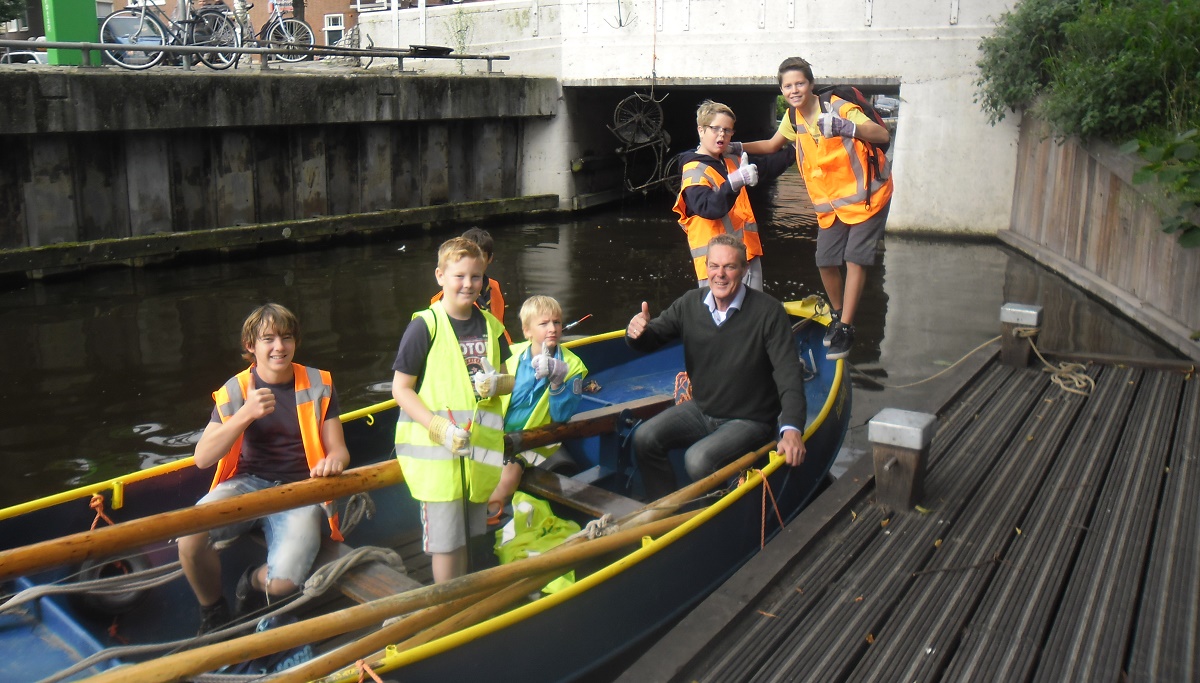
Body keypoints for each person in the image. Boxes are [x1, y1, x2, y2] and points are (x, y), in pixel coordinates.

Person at [179, 303, 350, 635]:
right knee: (189, 538)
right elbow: (203, 458)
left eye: (286, 338)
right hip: (247, 484)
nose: (279, 347)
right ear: (250, 346)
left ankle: (251, 585)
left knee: (283, 584)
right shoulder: (236, 389)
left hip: (301, 491)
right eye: (268, 339)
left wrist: (334, 463)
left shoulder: (319, 383)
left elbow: (339, 450)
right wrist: (244, 414)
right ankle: (213, 611)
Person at [625, 234, 807, 501]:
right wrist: (636, 333)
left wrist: (791, 430)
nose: (720, 275)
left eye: (729, 267)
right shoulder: (690, 303)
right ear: (706, 267)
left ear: (744, 271)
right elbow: (651, 338)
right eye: (714, 266)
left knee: (697, 460)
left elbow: (788, 373)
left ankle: (713, 519)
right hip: (703, 409)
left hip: (750, 419)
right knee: (643, 438)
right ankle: (662, 508)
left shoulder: (769, 312)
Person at [740, 57, 894, 360]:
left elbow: (882, 135)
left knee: (855, 258)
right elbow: (772, 146)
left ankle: (847, 328)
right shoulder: (794, 118)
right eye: (787, 86)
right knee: (825, 259)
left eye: (799, 83)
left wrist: (845, 127)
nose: (794, 90)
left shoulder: (836, 106)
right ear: (782, 91)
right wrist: (736, 147)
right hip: (832, 202)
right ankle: (839, 315)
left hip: (868, 193)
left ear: (810, 84)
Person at [392, 236, 520, 583]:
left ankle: (461, 609)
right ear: (440, 276)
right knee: (446, 545)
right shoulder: (425, 326)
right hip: (439, 460)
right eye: (459, 276)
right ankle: (447, 611)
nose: (468, 284)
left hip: (477, 459)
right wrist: (439, 428)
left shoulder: (492, 327)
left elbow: (510, 379)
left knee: (466, 537)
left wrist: (497, 384)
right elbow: (401, 389)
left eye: (476, 277)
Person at [673, 100, 791, 291]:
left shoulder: (730, 159)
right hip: (717, 265)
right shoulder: (694, 172)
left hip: (745, 255)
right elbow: (709, 208)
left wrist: (797, 150)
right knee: (722, 317)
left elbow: (767, 168)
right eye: (716, 128)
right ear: (701, 131)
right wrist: (734, 183)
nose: (722, 134)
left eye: (727, 130)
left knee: (752, 312)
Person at [501, 295, 588, 470]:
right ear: (527, 331)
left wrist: (557, 383)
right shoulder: (510, 355)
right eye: (544, 324)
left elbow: (562, 417)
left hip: (535, 443)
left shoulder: (573, 365)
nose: (552, 329)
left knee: (507, 474)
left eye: (556, 322)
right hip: (498, 436)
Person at [430, 227, 508, 332]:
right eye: (459, 276)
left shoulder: (494, 287)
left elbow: (500, 328)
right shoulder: (432, 316)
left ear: (490, 259)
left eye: (480, 256)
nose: (468, 284)